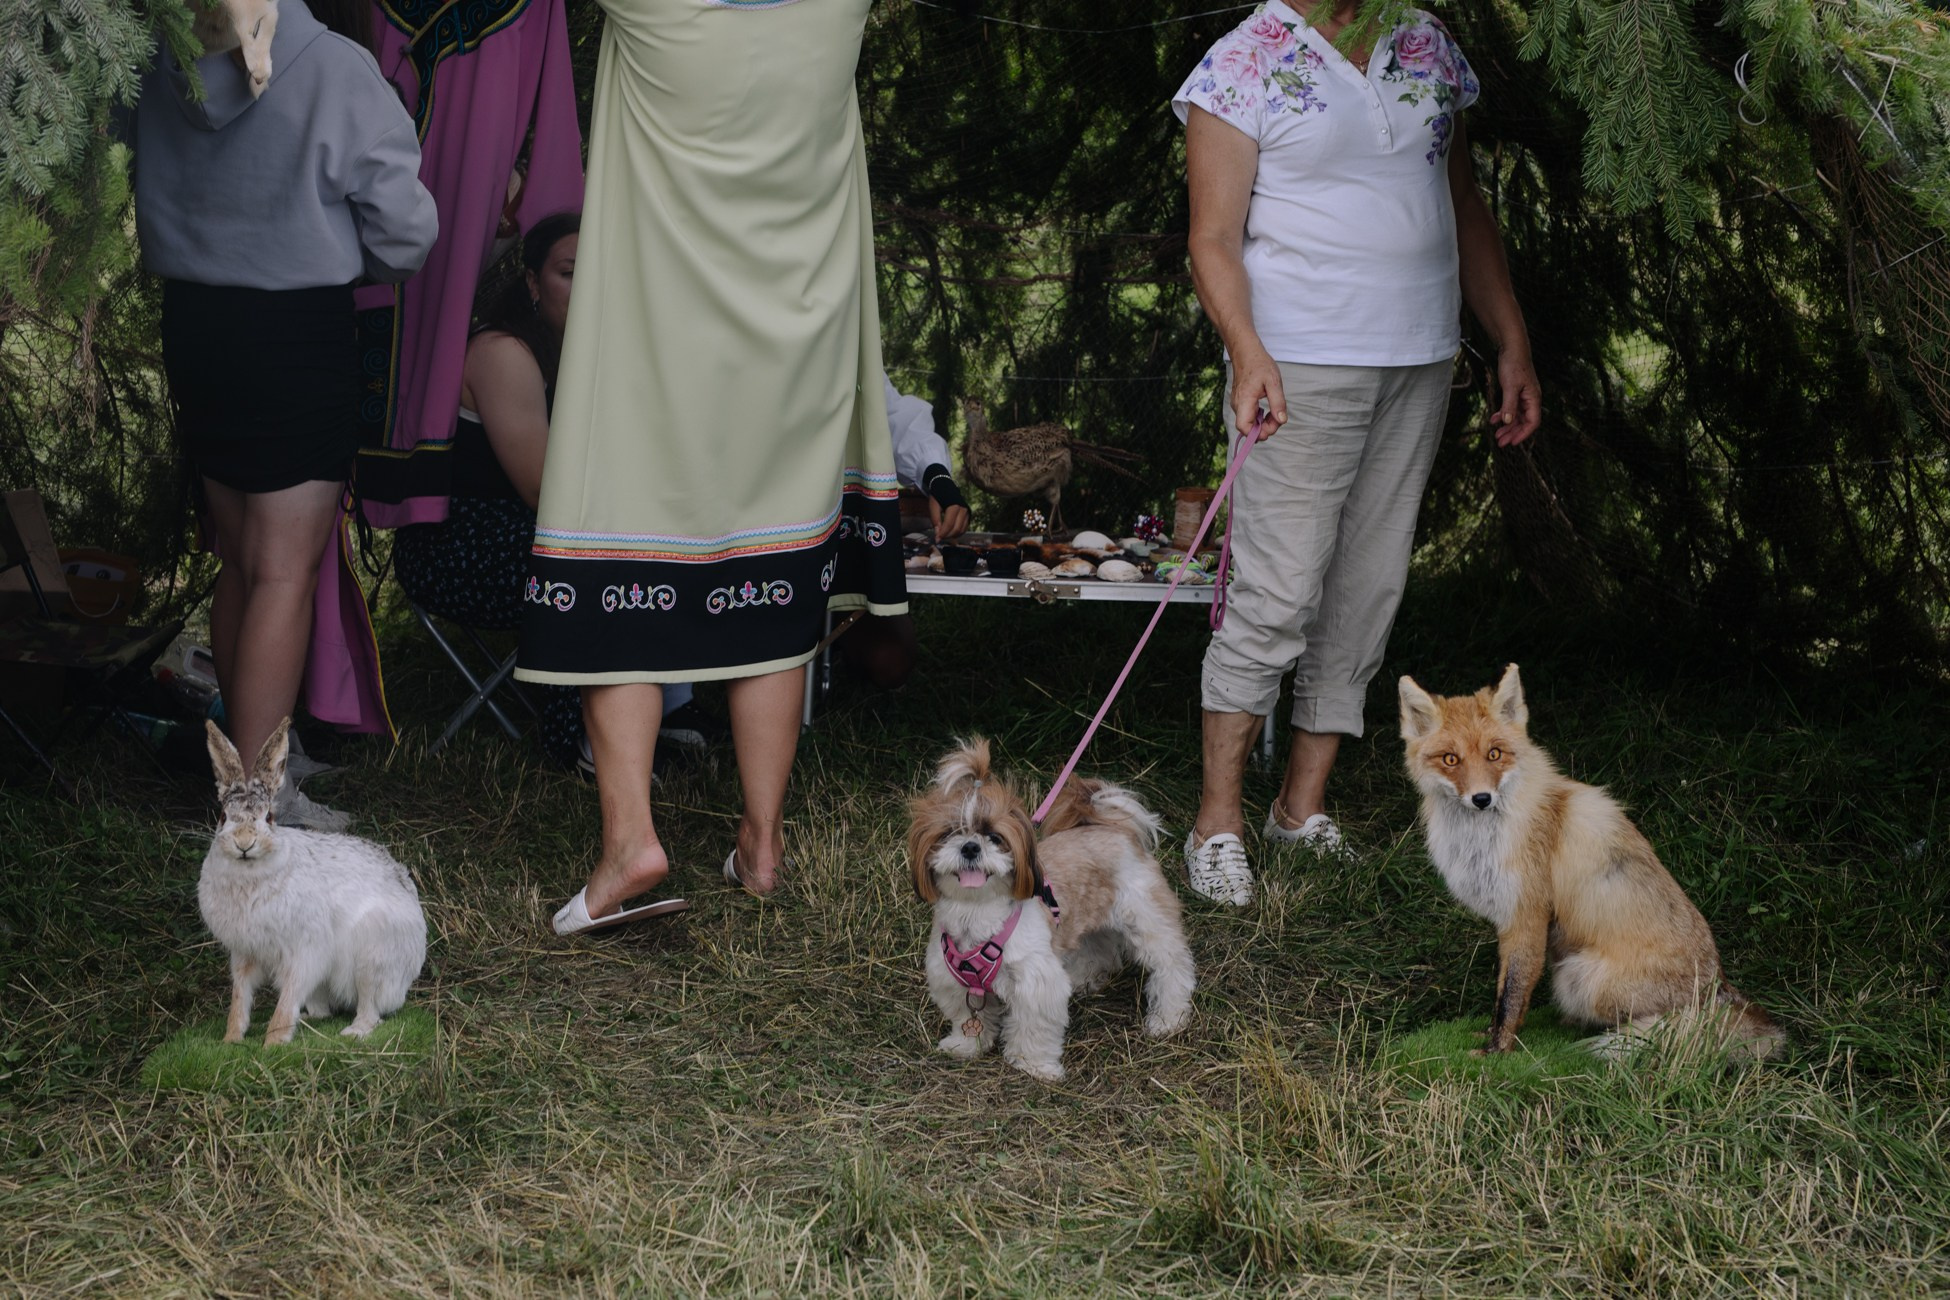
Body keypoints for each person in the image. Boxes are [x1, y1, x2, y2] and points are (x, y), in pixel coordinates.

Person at [517, 1, 907, 932]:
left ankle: (630, 844)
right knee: (774, 576)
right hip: (792, 338)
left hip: (656, 333)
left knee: (615, 550)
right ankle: (760, 844)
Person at [1173, 1, 1542, 905]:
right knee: (1277, 591)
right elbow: (1211, 239)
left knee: (1367, 587)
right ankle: (1215, 823)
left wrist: (1510, 340)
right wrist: (1246, 350)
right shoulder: (1242, 62)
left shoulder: (1426, 44)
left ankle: (1300, 809)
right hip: (1295, 361)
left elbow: (1461, 205)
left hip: (1416, 356)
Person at [128, 0, 437, 826]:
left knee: (243, 560)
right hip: (296, 331)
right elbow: (407, 234)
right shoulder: (333, 65)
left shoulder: (160, 58)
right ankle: (255, 800)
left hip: (196, 325)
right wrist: (337, 249)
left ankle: (249, 761)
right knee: (282, 570)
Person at [393, 214, 714, 766]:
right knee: (600, 551)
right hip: (457, 547)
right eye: (569, 272)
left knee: (659, 536)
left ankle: (668, 708)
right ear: (534, 283)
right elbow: (545, 491)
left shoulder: (584, 356)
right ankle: (593, 742)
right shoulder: (504, 351)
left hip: (526, 534)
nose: (587, 286)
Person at [838, 379, 970, 689]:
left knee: (891, 660)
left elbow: (891, 415)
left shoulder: (845, 336)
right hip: (766, 539)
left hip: (843, 543)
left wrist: (937, 477)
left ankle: (835, 637)